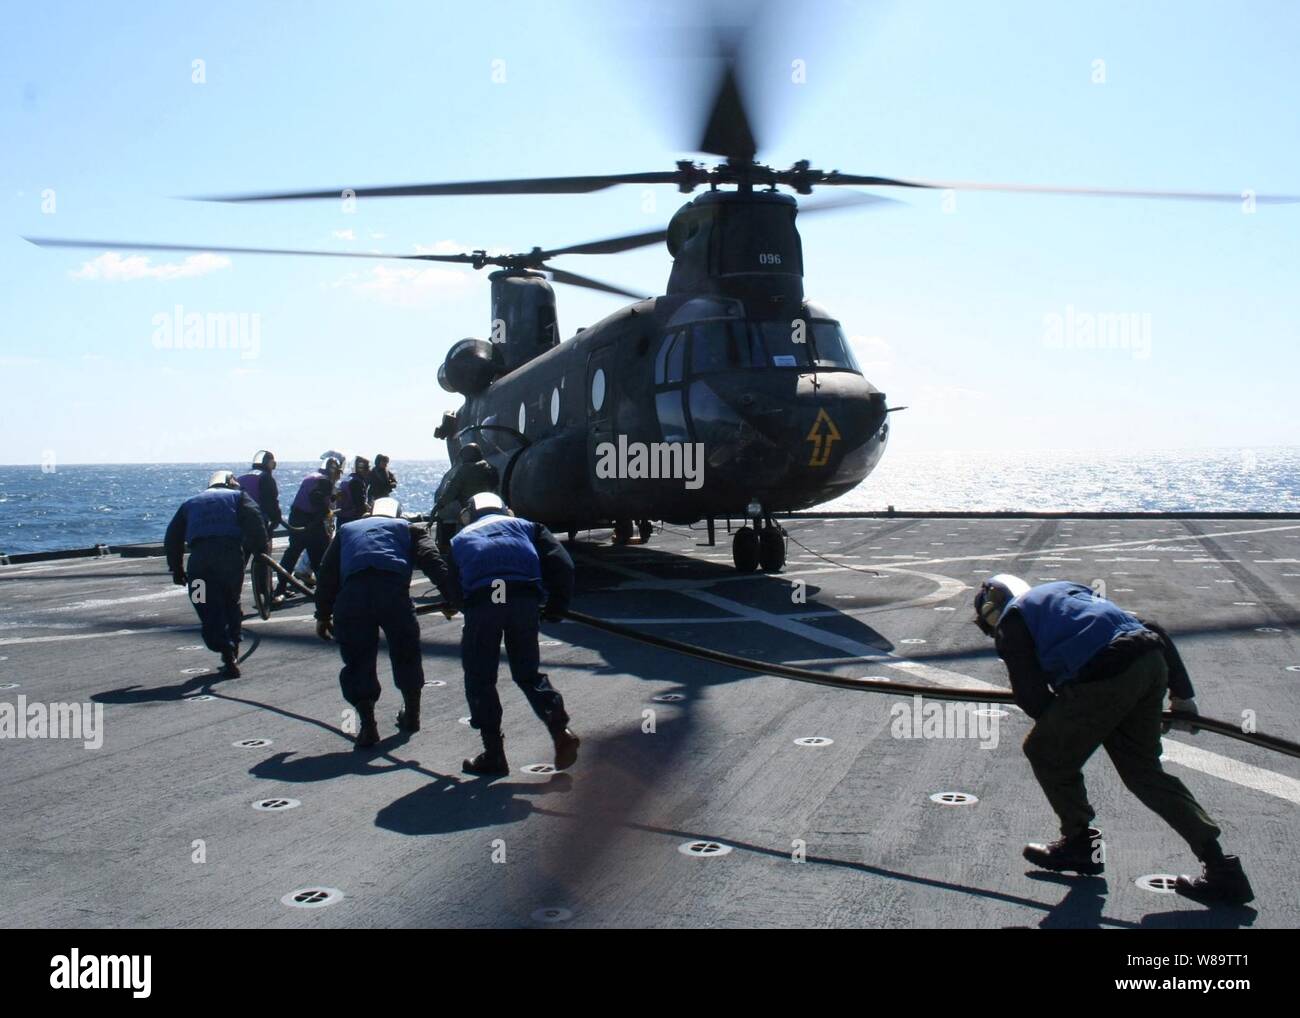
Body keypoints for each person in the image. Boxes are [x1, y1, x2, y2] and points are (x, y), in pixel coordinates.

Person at [974, 574, 1254, 905]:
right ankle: (1222, 869)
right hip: (1149, 661)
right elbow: (1153, 629)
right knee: (1143, 773)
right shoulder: (1066, 592)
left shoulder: (1012, 620)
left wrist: (1075, 725)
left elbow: (1032, 697)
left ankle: (1080, 842)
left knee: (1043, 750)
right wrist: (1182, 694)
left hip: (1105, 674)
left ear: (993, 610)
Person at [444, 492, 578, 776]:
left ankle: (494, 754)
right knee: (528, 674)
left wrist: (470, 610)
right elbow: (562, 564)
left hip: (484, 600)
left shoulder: (459, 540)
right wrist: (557, 606)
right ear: (506, 510)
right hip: (523, 599)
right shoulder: (529, 527)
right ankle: (560, 730)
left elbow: (452, 588)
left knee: (480, 677)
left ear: (470, 512)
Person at [314, 498, 453, 749]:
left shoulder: (347, 530)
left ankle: (368, 726)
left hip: (353, 596)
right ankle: (412, 714)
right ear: (398, 514)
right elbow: (433, 562)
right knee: (406, 653)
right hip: (393, 595)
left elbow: (327, 572)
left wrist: (323, 615)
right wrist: (455, 599)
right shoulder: (408, 528)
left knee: (358, 661)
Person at [164, 470, 268, 677]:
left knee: (200, 598)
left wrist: (176, 569)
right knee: (231, 601)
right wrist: (260, 551)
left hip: (200, 561)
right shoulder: (238, 496)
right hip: (229, 559)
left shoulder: (190, 502)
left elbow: (172, 537)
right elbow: (256, 520)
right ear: (230, 482)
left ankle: (222, 643)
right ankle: (231, 649)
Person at [273, 456, 342, 602]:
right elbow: (317, 498)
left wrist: (332, 499)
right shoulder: (324, 480)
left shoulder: (312, 477)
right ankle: (326, 590)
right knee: (321, 556)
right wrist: (326, 511)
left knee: (293, 553)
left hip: (296, 517)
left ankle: (281, 587)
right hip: (310, 521)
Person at [432, 443, 500, 553]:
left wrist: (438, 506)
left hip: (472, 511)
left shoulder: (465, 470)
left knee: (445, 518)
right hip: (492, 508)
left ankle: (447, 550)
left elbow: (451, 493)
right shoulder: (490, 468)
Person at [236, 450, 284, 531]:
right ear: (270, 463)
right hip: (258, 522)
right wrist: (276, 518)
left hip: (240, 521)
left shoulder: (240, 478)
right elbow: (270, 501)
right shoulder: (266, 478)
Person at [336, 456, 372, 527]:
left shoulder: (347, 479)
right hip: (351, 520)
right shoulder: (357, 482)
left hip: (341, 518)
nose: (369, 471)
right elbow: (359, 504)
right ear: (362, 469)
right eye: (367, 468)